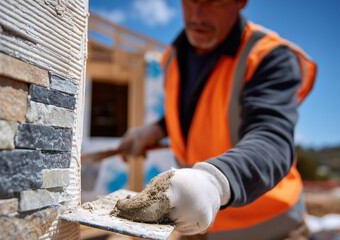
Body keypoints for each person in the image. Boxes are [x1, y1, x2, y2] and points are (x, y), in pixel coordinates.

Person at [116, 0, 316, 239]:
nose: (198, 15)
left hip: (267, 227)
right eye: (190, 1)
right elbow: (194, 112)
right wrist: (156, 130)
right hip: (197, 226)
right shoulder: (173, 57)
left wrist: (215, 181)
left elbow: (272, 137)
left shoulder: (267, 55)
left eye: (215, 2)